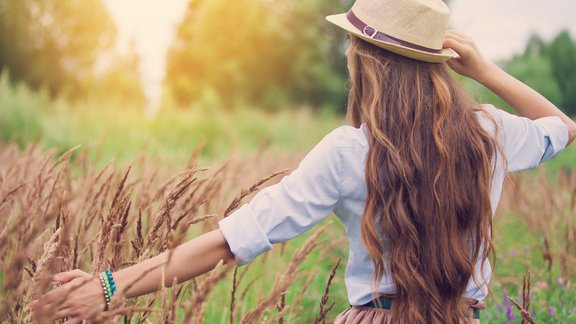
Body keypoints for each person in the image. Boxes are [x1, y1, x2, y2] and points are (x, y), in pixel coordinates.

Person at [26, 0, 576, 323]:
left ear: (365, 60)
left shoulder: (349, 151)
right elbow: (564, 128)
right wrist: (485, 72)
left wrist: (110, 284)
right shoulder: (489, 130)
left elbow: (232, 241)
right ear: (436, 66)